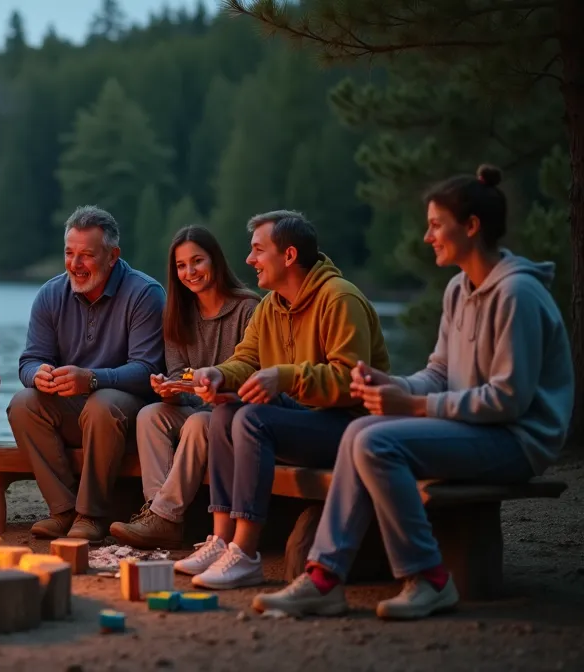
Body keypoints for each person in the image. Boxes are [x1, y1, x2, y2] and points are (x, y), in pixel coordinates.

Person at [254, 165, 574, 620]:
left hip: (518, 440)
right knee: (361, 430)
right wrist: (395, 385)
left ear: (472, 227)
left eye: (436, 225)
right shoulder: (459, 290)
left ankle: (428, 578)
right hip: (471, 427)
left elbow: (509, 400)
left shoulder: (517, 295)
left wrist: (415, 406)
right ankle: (325, 578)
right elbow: (440, 371)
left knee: (377, 441)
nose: (428, 237)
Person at [177, 210, 390, 590]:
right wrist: (217, 374)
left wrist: (284, 376)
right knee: (225, 410)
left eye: (258, 250)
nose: (249, 260)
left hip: (349, 426)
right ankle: (222, 540)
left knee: (252, 419)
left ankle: (246, 553)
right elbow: (245, 359)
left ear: (288, 256)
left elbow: (349, 380)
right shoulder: (270, 306)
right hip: (300, 423)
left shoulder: (339, 299)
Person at [9, 205, 166, 543]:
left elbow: (149, 370)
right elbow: (28, 360)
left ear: (112, 255)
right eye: (69, 253)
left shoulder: (144, 294)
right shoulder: (51, 294)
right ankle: (64, 511)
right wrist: (38, 374)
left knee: (102, 404)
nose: (75, 265)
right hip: (72, 406)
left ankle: (91, 515)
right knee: (23, 403)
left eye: (87, 256)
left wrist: (93, 378)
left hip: (128, 411)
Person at [110, 225, 259, 550]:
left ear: (215, 261)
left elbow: (253, 374)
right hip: (195, 405)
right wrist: (169, 387)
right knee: (151, 414)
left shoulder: (248, 308)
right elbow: (178, 372)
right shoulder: (179, 313)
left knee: (197, 422)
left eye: (197, 261)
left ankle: (164, 516)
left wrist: (203, 387)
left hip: (231, 411)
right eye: (181, 265)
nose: (189, 272)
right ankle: (158, 514)